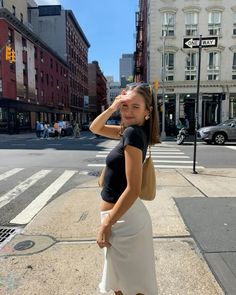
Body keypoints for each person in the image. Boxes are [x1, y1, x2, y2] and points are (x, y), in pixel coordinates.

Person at [90, 83, 160, 295]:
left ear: (148, 111)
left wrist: (106, 224)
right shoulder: (130, 131)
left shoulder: (132, 134)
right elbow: (95, 128)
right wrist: (112, 107)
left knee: (128, 286)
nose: (128, 111)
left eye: (135, 107)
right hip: (123, 218)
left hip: (123, 222)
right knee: (126, 284)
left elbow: (133, 189)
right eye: (125, 106)